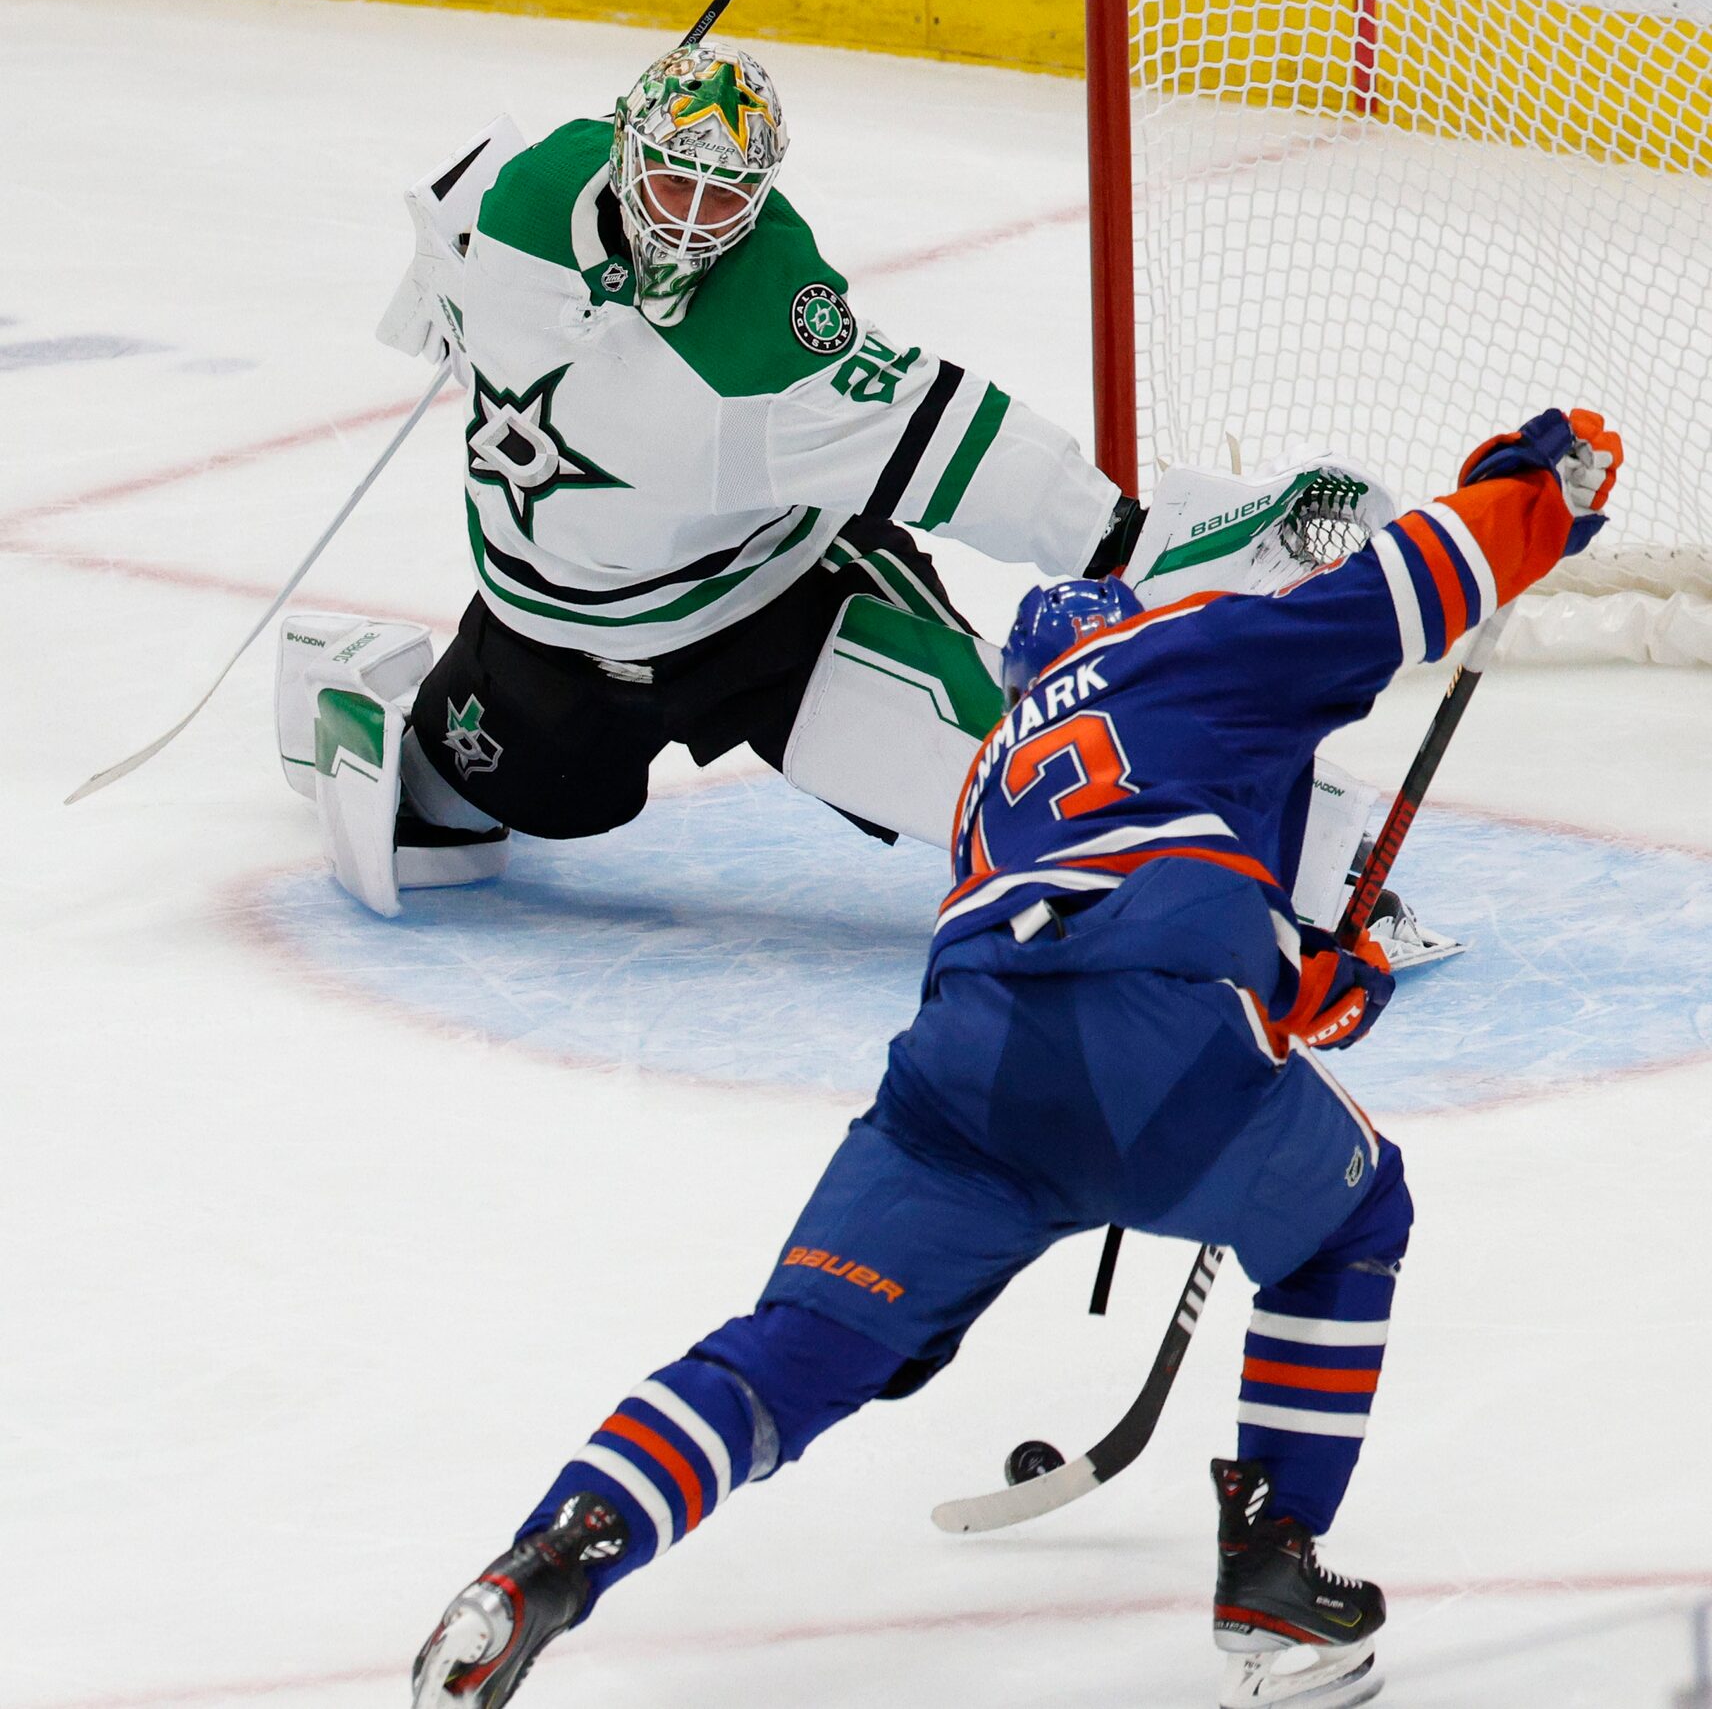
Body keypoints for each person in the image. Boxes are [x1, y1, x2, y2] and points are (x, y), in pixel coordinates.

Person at [405, 408, 1622, 1708]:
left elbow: (1163, 874)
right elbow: (1417, 577)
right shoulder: (1200, 647)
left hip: (964, 1077)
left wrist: (1296, 969)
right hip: (1148, 1019)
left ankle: (549, 1558)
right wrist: (1541, 483)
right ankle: (1273, 1571)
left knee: (797, 1350)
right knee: (1352, 1215)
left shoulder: (1006, 754)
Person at [280, 36, 1140, 913]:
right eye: (673, 181)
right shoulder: (531, 199)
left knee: (1025, 788)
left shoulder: (774, 326)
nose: (692, 220)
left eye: (723, 194)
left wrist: (1121, 536)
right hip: (549, 640)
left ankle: (1181, 839)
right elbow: (458, 234)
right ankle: (345, 677)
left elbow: (960, 443)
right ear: (624, 156)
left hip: (776, 609)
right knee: (434, 825)